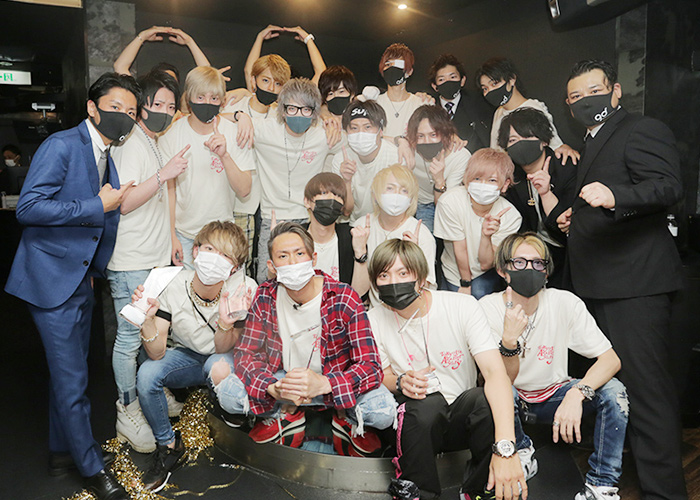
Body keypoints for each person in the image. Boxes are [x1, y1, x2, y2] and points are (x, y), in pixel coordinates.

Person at [5, 72, 140, 500]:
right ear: (92, 108)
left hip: (80, 278)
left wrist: (94, 268)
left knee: (69, 375)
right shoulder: (62, 145)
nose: (124, 116)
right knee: (72, 380)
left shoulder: (106, 154)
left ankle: (61, 452)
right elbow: (29, 207)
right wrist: (97, 204)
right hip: (50, 280)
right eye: (116, 107)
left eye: (131, 112)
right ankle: (91, 466)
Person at [557, 59, 687, 500]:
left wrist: (615, 196)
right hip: (600, 286)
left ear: (615, 91)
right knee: (621, 392)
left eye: (594, 91)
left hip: (635, 286)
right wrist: (578, 216)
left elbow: (668, 186)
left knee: (648, 397)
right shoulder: (592, 140)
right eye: (575, 97)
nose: (585, 101)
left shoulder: (639, 128)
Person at [212, 222, 395, 456]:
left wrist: (326, 384)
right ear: (272, 265)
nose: (293, 262)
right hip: (285, 381)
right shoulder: (265, 295)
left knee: (382, 411)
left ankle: (344, 419)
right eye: (283, 256)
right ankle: (286, 415)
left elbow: (370, 366)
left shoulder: (343, 297)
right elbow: (247, 354)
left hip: (331, 383)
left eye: (300, 254)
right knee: (229, 395)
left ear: (313, 258)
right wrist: (272, 388)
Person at [366, 239, 525, 500]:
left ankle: (480, 490)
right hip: (415, 424)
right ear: (375, 282)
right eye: (384, 275)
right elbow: (378, 376)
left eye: (403, 273)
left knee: (484, 398)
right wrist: (400, 381)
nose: (393, 281)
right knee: (427, 404)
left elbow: (495, 373)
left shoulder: (461, 306)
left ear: (421, 278)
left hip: (460, 417)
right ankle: (418, 493)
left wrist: (507, 448)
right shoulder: (373, 320)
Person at [480, 232, 629, 500]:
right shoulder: (486, 308)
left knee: (614, 391)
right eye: (520, 262)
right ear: (503, 270)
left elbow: (611, 360)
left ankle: (601, 486)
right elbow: (501, 380)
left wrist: (577, 393)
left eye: (538, 263)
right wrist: (509, 340)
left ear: (546, 272)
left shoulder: (564, 302)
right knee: (501, 390)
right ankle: (521, 451)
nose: (530, 269)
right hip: (511, 399)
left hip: (554, 395)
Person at [131, 220, 257, 491]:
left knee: (215, 364)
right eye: (210, 249)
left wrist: (225, 323)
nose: (215, 258)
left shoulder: (244, 289)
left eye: (225, 255)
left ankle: (230, 408)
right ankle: (169, 444)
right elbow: (157, 352)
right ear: (196, 251)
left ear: (234, 267)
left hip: (224, 358)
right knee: (147, 373)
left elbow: (225, 348)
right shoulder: (173, 284)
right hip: (188, 357)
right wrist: (147, 320)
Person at [105, 70, 189, 453]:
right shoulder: (129, 144)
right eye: (158, 104)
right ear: (142, 106)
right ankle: (127, 409)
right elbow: (123, 203)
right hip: (130, 259)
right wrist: (164, 173)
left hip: (154, 258)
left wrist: (172, 237)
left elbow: (161, 195)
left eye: (171, 106)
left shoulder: (151, 141)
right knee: (128, 339)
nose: (165, 112)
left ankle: (148, 392)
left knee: (151, 332)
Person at [159, 66, 254, 269]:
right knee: (186, 289)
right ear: (189, 98)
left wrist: (225, 156)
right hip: (184, 235)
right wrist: (171, 235)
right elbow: (169, 191)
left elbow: (245, 190)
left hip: (222, 237)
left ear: (222, 100)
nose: (207, 103)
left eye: (214, 98)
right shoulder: (171, 135)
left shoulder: (236, 133)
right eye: (200, 97)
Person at [250, 77, 341, 284]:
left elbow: (357, 139)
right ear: (282, 110)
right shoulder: (265, 129)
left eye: (306, 110)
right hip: (272, 218)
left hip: (309, 218)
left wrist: (401, 142)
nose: (299, 115)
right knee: (266, 280)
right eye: (292, 109)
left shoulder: (325, 134)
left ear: (314, 112)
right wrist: (240, 116)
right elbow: (221, 121)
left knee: (307, 280)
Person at [497, 107, 576, 288]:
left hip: (567, 253)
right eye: (513, 140)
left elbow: (567, 224)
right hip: (531, 252)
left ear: (543, 141)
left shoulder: (566, 166)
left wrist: (546, 193)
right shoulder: (511, 176)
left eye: (527, 137)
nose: (520, 144)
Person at [434, 148, 521, 299]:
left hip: (486, 272)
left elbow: (486, 264)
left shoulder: (511, 216)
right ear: (467, 179)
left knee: (480, 294)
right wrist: (465, 283)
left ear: (505, 184)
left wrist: (486, 236)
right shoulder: (450, 201)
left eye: (492, 180)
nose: (483, 185)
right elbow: (459, 248)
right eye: (477, 178)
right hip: (454, 271)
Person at [355, 164, 436, 307]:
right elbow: (358, 294)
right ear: (375, 195)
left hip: (409, 311)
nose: (396, 195)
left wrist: (413, 258)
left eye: (404, 190)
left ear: (411, 199)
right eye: (390, 188)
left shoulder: (420, 234)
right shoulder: (361, 228)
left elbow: (426, 292)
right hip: (376, 312)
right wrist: (360, 252)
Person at [476, 57, 579, 164]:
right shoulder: (499, 112)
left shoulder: (533, 109)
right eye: (485, 88)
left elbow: (554, 145)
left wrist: (563, 148)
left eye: (494, 83)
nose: (490, 91)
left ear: (511, 79)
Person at [301, 173, 371, 294]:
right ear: (307, 202)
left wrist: (360, 252)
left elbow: (359, 295)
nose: (332, 199)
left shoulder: (351, 238)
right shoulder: (295, 237)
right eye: (324, 193)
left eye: (338, 195)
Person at [331, 99, 399, 224]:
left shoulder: (396, 157)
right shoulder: (341, 160)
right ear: (346, 132)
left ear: (381, 130)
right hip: (355, 224)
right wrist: (346, 181)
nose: (361, 133)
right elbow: (346, 212)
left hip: (389, 223)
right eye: (354, 128)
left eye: (367, 127)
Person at [406, 104, 471, 231]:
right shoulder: (410, 148)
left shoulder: (460, 156)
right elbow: (380, 138)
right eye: (420, 136)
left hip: (447, 203)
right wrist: (401, 141)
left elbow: (445, 206)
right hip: (420, 203)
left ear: (445, 133)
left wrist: (439, 181)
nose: (427, 141)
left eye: (433, 135)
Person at [428, 54, 492, 153]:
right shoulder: (429, 106)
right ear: (434, 86)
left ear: (462, 81)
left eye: (453, 77)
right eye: (441, 79)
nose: (448, 82)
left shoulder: (479, 102)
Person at [243, 25, 326, 89]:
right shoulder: (255, 96)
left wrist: (308, 39)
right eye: (266, 80)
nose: (271, 87)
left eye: (278, 83)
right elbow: (249, 71)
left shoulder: (293, 102)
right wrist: (260, 37)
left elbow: (321, 73)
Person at [113, 26, 211, 78]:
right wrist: (142, 36)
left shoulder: (183, 107)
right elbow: (120, 66)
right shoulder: (141, 102)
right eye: (162, 79)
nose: (166, 85)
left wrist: (190, 42)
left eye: (171, 81)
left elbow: (208, 76)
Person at [376, 43, 426, 139]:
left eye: (398, 64)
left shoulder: (421, 104)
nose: (392, 68)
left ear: (409, 71)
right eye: (388, 64)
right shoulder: (374, 104)